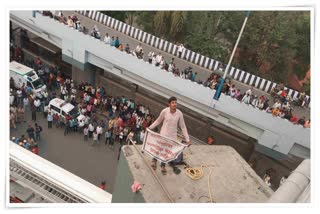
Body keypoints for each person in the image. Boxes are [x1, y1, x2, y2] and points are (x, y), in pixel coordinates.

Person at [148, 96, 191, 175]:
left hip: (172, 137)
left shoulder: (179, 114)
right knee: (159, 148)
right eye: (173, 103)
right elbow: (158, 121)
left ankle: (163, 165)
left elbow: (183, 127)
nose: (175, 104)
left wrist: (187, 139)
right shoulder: (165, 111)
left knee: (166, 152)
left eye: (175, 102)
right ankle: (154, 160)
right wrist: (150, 127)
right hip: (163, 135)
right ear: (169, 104)